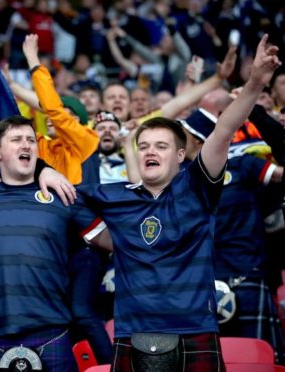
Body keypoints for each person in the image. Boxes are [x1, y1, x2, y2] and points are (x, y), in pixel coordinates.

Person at [75, 35, 281, 370]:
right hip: (133, 331)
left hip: (194, 329)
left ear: (180, 155)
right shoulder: (113, 194)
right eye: (144, 146)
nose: (151, 152)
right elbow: (68, 202)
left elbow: (225, 128)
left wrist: (255, 81)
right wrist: (107, 239)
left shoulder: (197, 185)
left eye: (161, 146)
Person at [0, 115, 84, 371]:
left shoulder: (63, 195)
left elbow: (107, 238)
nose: (26, 145)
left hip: (53, 333)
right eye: (17, 139)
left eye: (31, 140)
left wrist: (46, 169)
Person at [177, 108, 285, 363]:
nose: (176, 138)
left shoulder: (243, 164)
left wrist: (266, 122)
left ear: (198, 138)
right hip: (201, 284)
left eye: (182, 132)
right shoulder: (179, 179)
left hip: (246, 274)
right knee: (205, 363)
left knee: (260, 360)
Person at [20, 34, 99, 185]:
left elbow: (53, 108)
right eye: (47, 116)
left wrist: (33, 60)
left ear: (75, 121)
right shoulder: (42, 145)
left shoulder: (87, 140)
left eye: (55, 116)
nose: (49, 118)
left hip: (78, 206)